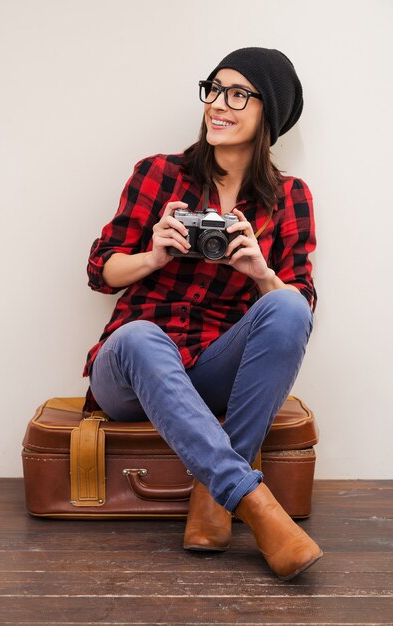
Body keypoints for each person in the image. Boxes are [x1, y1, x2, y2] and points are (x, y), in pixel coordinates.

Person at [83, 47, 322, 580]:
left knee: (283, 302)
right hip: (132, 370)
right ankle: (252, 503)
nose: (218, 104)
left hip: (213, 367)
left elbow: (300, 308)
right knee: (141, 336)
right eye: (213, 89)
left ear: (270, 114)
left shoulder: (289, 197)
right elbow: (100, 270)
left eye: (238, 94)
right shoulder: (159, 174)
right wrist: (153, 255)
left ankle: (213, 499)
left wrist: (260, 272)